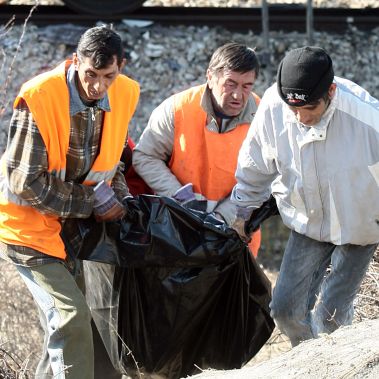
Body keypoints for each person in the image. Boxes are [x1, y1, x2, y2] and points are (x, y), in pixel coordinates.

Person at [0, 25, 139, 378]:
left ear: (121, 66)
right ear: (76, 61)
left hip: (76, 231)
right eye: (91, 74)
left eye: (108, 76)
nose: (98, 86)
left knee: (91, 327)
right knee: (71, 318)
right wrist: (91, 203)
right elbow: (25, 182)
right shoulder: (40, 96)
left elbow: (113, 162)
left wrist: (118, 197)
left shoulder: (125, 93)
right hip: (29, 233)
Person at [230, 46, 379, 347]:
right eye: (293, 109)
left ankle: (335, 363)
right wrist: (243, 211)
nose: (300, 117)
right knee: (284, 311)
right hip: (308, 220)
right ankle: (310, 360)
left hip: (359, 225)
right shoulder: (275, 106)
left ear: (331, 92)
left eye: (309, 108)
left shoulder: (368, 121)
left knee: (331, 317)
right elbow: (254, 163)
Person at [133, 42, 261, 257]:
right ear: (210, 77)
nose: (238, 95)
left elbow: (263, 180)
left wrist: (222, 218)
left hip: (235, 233)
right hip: (179, 229)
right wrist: (180, 199)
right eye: (230, 84)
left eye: (247, 86)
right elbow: (145, 156)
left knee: (232, 291)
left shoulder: (262, 117)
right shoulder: (177, 109)